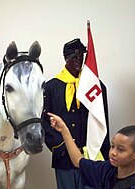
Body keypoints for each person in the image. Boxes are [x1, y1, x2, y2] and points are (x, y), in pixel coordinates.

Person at [42, 38, 110, 189]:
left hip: (91, 156)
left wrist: (105, 153)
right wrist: (60, 146)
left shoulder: (96, 87)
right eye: (74, 57)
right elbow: (44, 122)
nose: (78, 60)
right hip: (64, 158)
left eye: (81, 57)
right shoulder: (51, 87)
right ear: (66, 58)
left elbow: (103, 120)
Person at [48, 112, 135, 189]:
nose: (113, 153)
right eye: (112, 146)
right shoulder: (106, 169)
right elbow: (78, 161)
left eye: (120, 150)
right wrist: (64, 130)